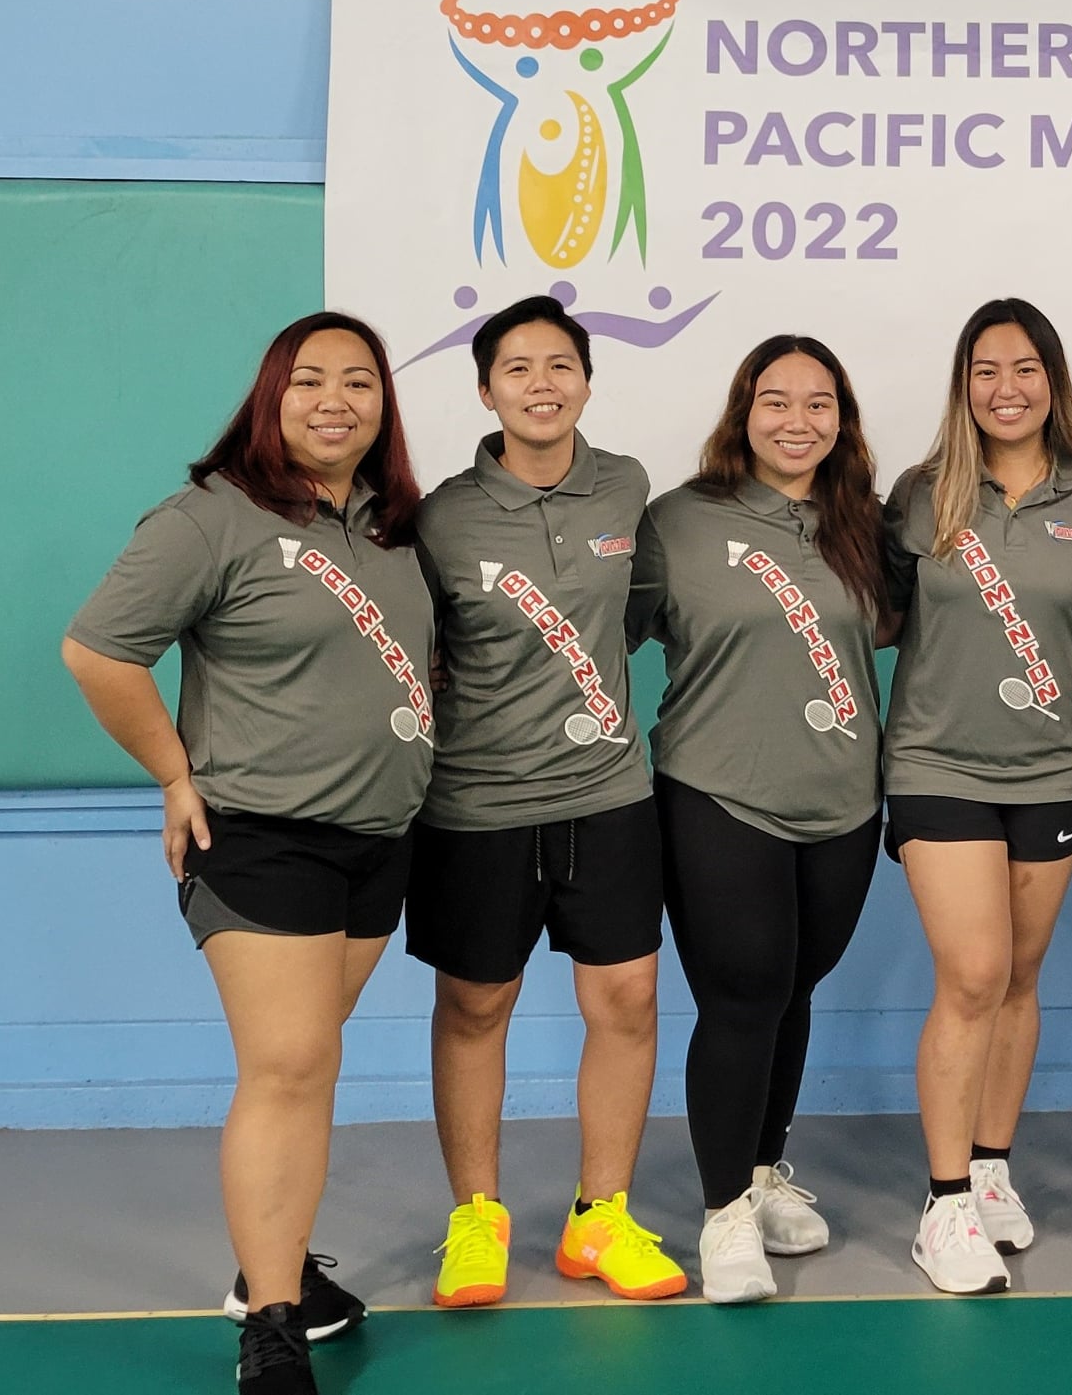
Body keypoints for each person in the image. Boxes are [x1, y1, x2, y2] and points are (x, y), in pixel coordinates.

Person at [62, 315, 431, 1395]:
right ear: (270, 397)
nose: (335, 399)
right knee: (290, 1066)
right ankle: (271, 1323)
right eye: (308, 379)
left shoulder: (390, 526)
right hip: (263, 836)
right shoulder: (210, 516)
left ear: (382, 406)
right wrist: (177, 773)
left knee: (310, 1060)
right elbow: (96, 650)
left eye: (359, 381)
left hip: (380, 837)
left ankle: (275, 1265)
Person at [408, 295, 684, 1308]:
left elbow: (642, 611)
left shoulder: (626, 487)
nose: (541, 382)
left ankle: (598, 1216)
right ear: (486, 390)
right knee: (475, 1004)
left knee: (628, 1001)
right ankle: (476, 1217)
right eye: (517, 367)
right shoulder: (441, 515)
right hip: (475, 807)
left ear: (586, 379)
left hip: (609, 796)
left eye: (559, 363)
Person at [628, 335, 889, 1304]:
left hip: (844, 797)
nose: (797, 419)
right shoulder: (680, 521)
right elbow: (593, 633)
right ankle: (724, 1209)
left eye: (819, 401)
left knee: (792, 985)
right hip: (717, 789)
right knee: (741, 996)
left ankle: (767, 1166)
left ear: (841, 417)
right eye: (775, 399)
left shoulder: (860, 519)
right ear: (742, 412)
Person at [881, 298, 1072, 1294]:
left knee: (1020, 976)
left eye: (1025, 368)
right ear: (963, 383)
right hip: (939, 762)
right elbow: (876, 612)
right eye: (986, 369)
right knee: (973, 973)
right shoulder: (920, 493)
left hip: (1055, 766)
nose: (1007, 387)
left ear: (1053, 381)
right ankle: (941, 1203)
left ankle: (989, 1170)